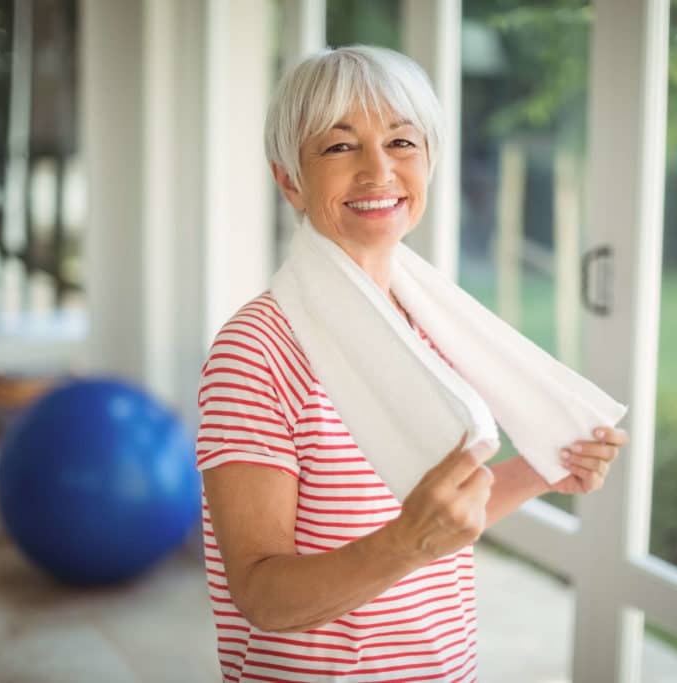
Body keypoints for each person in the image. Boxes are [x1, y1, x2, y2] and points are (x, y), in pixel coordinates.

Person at [196, 44, 628, 682]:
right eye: (340, 147)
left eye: (401, 143)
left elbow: (434, 514)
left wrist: (543, 469)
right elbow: (260, 596)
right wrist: (405, 543)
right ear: (289, 178)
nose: (379, 171)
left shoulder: (427, 320)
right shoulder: (256, 350)